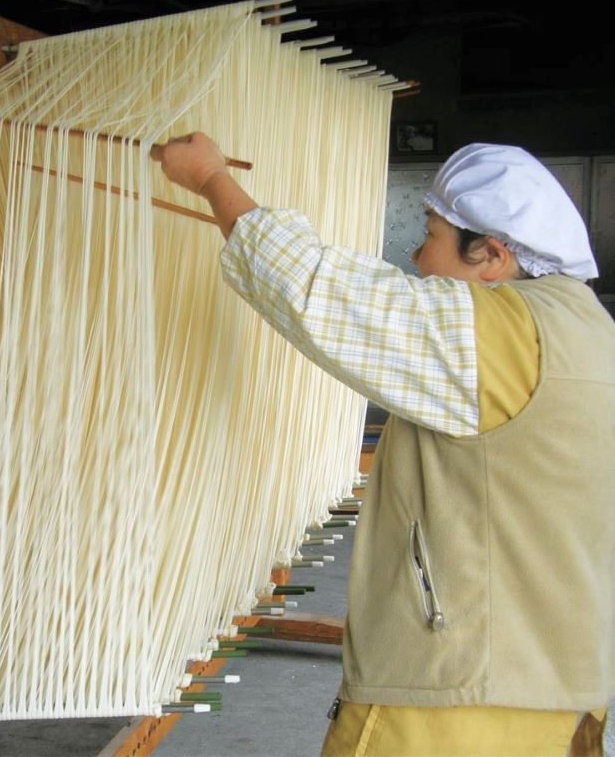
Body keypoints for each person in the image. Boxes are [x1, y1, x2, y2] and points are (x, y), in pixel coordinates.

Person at [150, 133, 615, 757]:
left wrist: (210, 178)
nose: (418, 257)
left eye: (430, 234)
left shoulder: (502, 336)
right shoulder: (588, 331)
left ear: (494, 257)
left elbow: (314, 288)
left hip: (455, 706)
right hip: (563, 693)